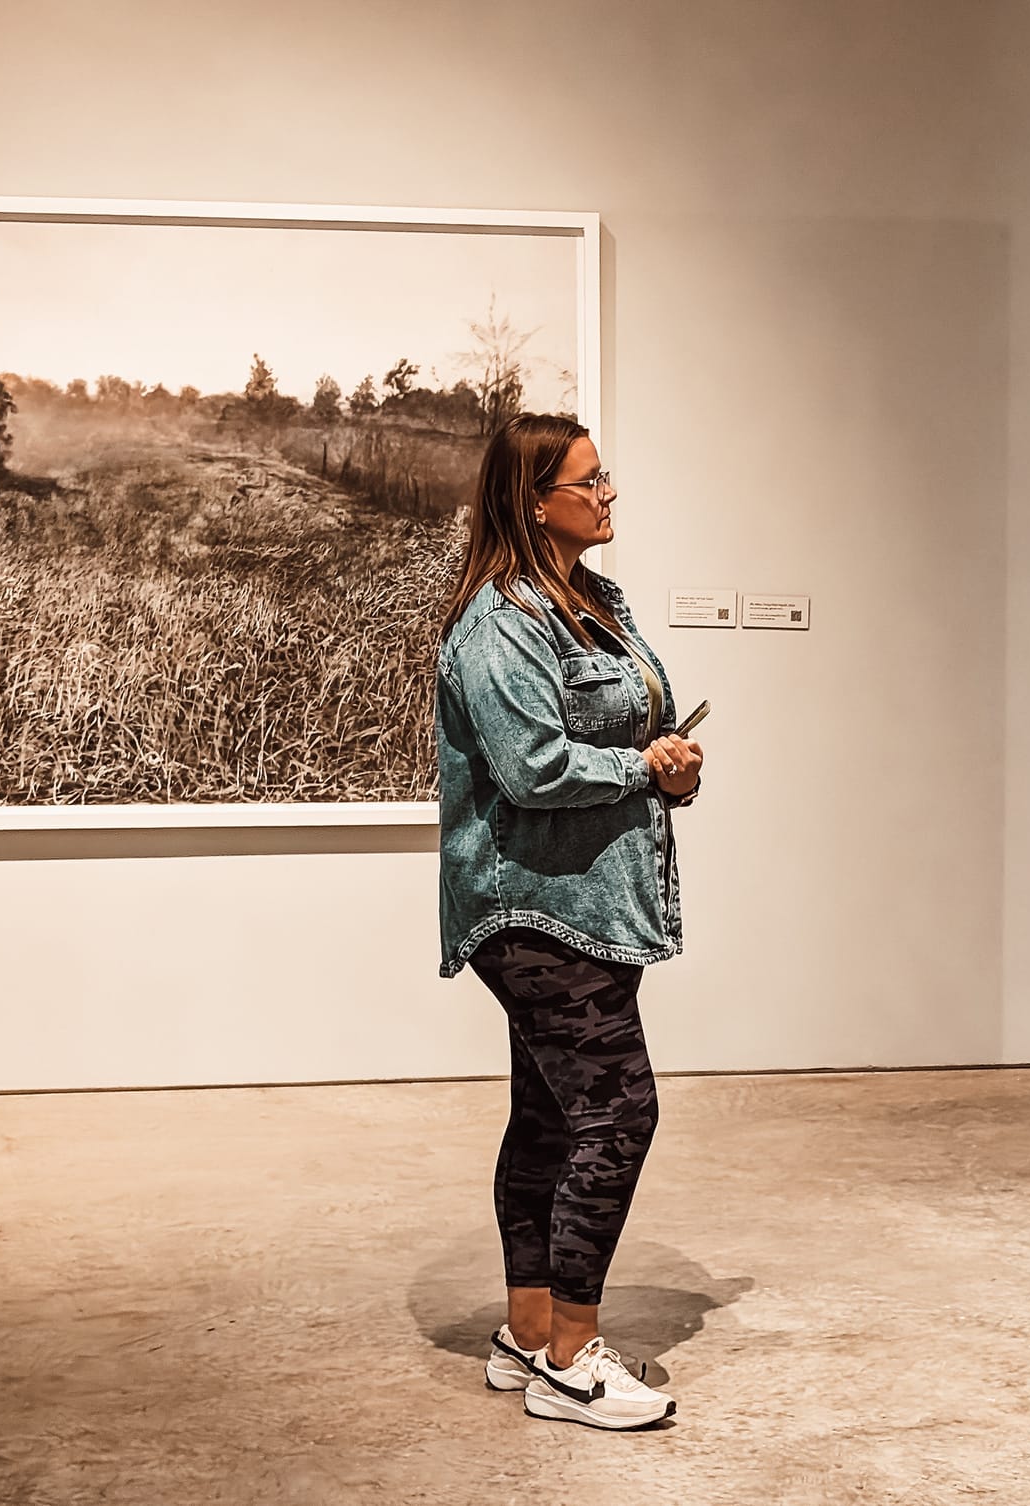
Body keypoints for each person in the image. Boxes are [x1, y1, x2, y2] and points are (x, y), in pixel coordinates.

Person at [434, 412, 703, 1431]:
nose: (608, 495)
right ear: (532, 500)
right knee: (618, 1114)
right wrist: (644, 767)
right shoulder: (501, 623)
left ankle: (528, 1328)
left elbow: (628, 726)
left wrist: (664, 764)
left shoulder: (591, 600)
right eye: (588, 483)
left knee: (552, 1117)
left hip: (589, 898)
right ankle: (572, 1358)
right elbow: (533, 768)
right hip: (530, 908)